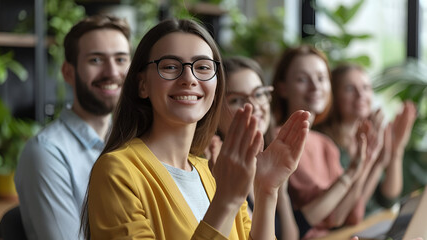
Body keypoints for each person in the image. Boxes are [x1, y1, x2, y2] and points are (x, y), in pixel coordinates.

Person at [82, 18, 310, 240]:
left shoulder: (214, 171)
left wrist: (267, 190)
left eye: (202, 67)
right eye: (170, 66)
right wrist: (226, 200)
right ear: (142, 84)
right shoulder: (118, 171)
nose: (189, 78)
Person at [14, 15, 131, 240]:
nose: (112, 72)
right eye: (96, 60)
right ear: (68, 72)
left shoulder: (129, 141)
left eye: (120, 59)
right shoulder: (46, 153)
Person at [271, 44, 384, 239]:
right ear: (282, 88)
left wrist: (365, 163)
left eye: (321, 78)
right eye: (302, 79)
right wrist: (354, 172)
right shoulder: (277, 139)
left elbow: (347, 216)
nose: (315, 87)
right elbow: (322, 218)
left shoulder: (325, 144)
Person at [204, 56, 298, 240]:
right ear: (214, 109)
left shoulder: (270, 156)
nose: (254, 106)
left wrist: (281, 191)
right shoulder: (216, 166)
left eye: (259, 94)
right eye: (236, 100)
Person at [317, 63, 417, 216]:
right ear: (334, 95)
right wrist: (376, 162)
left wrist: (397, 150)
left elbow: (388, 198)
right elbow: (350, 212)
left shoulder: (369, 134)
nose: (360, 95)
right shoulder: (325, 143)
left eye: (366, 88)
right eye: (350, 89)